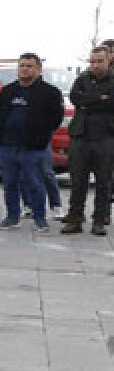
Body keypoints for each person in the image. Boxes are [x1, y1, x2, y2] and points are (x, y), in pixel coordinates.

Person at [0, 53, 64, 232]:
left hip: (33, 147)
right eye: (22, 65)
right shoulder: (7, 91)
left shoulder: (50, 92)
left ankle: (40, 218)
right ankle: (12, 216)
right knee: (10, 184)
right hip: (8, 146)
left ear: (38, 69)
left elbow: (56, 119)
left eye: (29, 66)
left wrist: (41, 136)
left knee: (35, 183)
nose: (24, 69)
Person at [63, 45, 114, 235]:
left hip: (105, 137)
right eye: (92, 61)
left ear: (109, 60)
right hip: (80, 136)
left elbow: (111, 102)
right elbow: (75, 98)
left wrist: (89, 101)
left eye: (100, 61)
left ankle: (99, 220)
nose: (95, 65)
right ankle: (75, 218)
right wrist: (100, 98)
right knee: (77, 181)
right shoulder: (82, 78)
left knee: (103, 182)